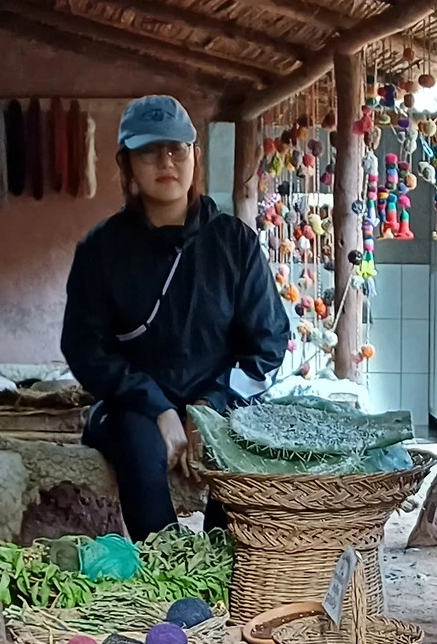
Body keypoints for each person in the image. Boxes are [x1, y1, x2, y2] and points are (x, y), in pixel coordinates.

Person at [61, 95, 290, 537]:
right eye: (149, 151)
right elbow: (85, 348)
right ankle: (167, 564)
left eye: (176, 149)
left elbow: (268, 343)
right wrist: (158, 407)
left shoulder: (235, 243)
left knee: (236, 453)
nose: (166, 161)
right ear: (127, 164)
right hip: (132, 406)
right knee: (139, 445)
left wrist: (210, 406)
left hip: (224, 401)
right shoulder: (101, 250)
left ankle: (226, 565)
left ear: (194, 156)